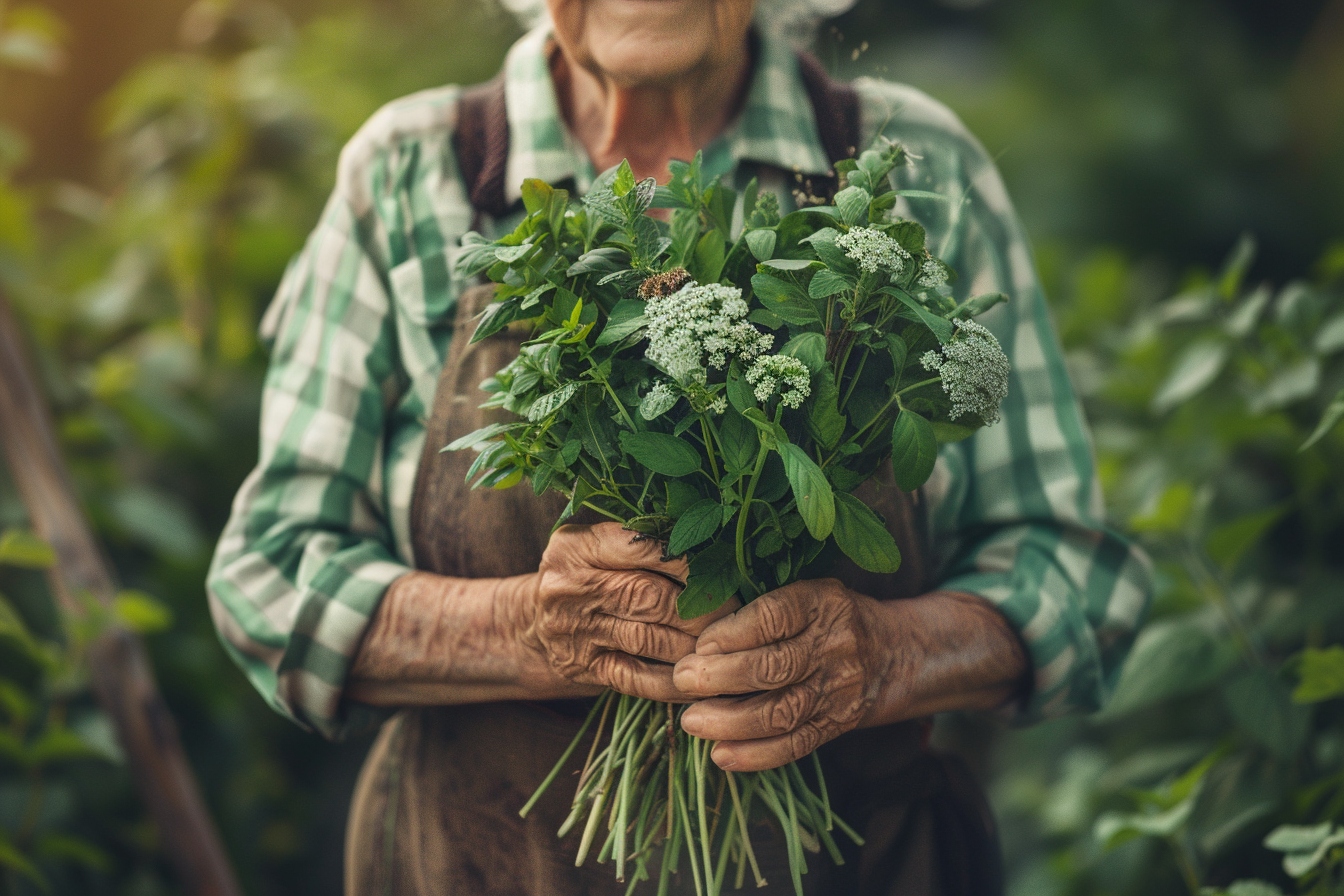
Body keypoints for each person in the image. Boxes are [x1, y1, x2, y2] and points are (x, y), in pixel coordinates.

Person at [207, 0, 1153, 892]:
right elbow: (272, 574)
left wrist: (888, 655)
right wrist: (531, 631)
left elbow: (1072, 571)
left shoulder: (916, 168)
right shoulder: (412, 171)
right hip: (482, 866)